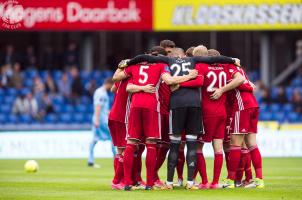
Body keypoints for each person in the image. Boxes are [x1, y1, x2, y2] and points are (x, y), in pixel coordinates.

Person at [124, 47, 238, 190]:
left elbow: (146, 57)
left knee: (175, 144)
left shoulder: (168, 60)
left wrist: (129, 61)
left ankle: (170, 183)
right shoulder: (195, 61)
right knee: (192, 144)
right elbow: (213, 59)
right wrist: (232, 60)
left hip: (176, 105)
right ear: (184, 55)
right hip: (195, 104)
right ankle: (190, 183)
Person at [113, 52, 199, 190]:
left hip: (135, 105)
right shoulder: (161, 65)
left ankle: (128, 184)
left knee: (131, 143)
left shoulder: (135, 66)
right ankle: (149, 184)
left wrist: (125, 65)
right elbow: (170, 81)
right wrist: (189, 76)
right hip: (152, 106)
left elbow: (119, 80)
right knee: (151, 143)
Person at [178, 46, 245, 189]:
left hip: (206, 112)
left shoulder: (202, 66)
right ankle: (215, 182)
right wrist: (222, 89)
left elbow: (199, 82)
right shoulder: (225, 67)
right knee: (218, 148)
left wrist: (179, 83)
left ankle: (204, 181)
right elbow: (240, 79)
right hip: (222, 112)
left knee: (198, 147)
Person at [221, 66, 264, 189]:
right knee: (252, 144)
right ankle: (259, 180)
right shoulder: (240, 71)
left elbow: (239, 82)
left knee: (235, 145)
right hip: (253, 106)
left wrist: (222, 89)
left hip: (242, 107)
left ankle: (231, 180)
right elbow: (252, 86)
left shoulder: (227, 70)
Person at [88, 78, 115, 168]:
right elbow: (98, 106)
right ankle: (116, 158)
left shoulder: (102, 92)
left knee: (95, 140)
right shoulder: (100, 93)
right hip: (101, 121)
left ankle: (90, 160)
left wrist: (110, 112)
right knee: (113, 138)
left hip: (101, 119)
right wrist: (96, 119)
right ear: (109, 84)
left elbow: (103, 108)